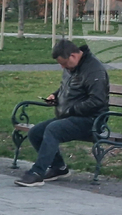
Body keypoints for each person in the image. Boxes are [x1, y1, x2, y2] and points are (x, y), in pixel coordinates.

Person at [15, 40, 109, 187]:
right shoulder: (72, 67)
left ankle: (37, 172)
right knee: (35, 132)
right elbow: (67, 88)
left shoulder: (94, 70)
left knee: (54, 129)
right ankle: (59, 167)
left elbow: (98, 101)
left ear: (73, 56)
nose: (62, 67)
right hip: (70, 117)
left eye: (64, 64)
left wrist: (71, 109)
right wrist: (55, 96)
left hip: (92, 120)